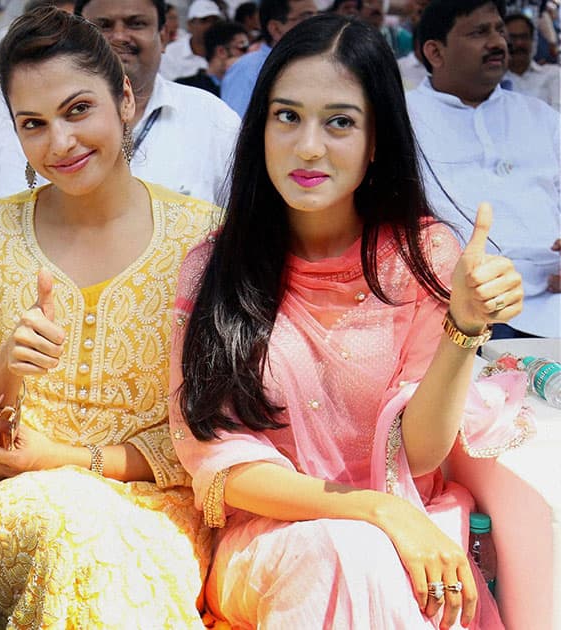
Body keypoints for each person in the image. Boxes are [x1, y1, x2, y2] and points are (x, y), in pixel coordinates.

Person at [171, 14, 531, 629]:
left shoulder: (422, 258)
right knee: (342, 550)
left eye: (339, 122)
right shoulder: (213, 267)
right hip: (275, 541)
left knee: (361, 555)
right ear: (260, 127)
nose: (308, 146)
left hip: (412, 529)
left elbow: (418, 457)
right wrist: (369, 512)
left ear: (376, 142)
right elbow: (217, 460)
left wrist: (463, 329)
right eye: (287, 116)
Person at [0, 7, 218, 628]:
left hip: (160, 511)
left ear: (124, 98)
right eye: (33, 124)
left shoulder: (204, 239)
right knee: (73, 527)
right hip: (16, 509)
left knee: (97, 542)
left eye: (77, 110)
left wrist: (67, 458)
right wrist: (3, 372)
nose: (60, 144)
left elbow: (212, 431)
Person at [0, 0, 241, 202]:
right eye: (103, 25)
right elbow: (12, 204)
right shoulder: (26, 108)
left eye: (136, 23)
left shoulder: (211, 117)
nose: (119, 36)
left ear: (163, 35)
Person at [408, 0, 560, 338]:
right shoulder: (402, 121)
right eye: (479, 32)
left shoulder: (541, 117)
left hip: (552, 301)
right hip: (454, 314)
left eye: (500, 31)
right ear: (435, 52)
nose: (498, 43)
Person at [219, 0, 316, 117]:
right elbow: (235, 128)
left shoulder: (318, 64)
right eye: (306, 17)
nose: (318, 24)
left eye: (318, 15)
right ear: (276, 29)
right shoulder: (248, 69)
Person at [176, 19, 250, 95]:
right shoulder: (185, 88)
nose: (249, 54)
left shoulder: (247, 86)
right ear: (221, 52)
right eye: (243, 48)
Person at [504, 12, 560, 110]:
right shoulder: (495, 81)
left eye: (524, 37)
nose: (519, 43)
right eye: (513, 38)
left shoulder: (554, 74)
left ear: (532, 40)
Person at [159, 0, 223, 80]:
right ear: (190, 24)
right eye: (204, 20)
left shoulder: (226, 51)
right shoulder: (170, 54)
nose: (210, 26)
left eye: (214, 21)